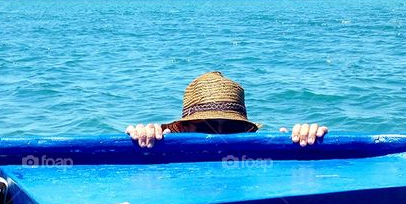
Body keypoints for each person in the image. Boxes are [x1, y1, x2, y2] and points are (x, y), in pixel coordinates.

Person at [126, 72, 328, 149]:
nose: (219, 136)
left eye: (231, 127)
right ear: (182, 128)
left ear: (247, 131)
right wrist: (143, 138)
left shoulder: (257, 158)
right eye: (208, 126)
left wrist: (305, 141)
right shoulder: (164, 152)